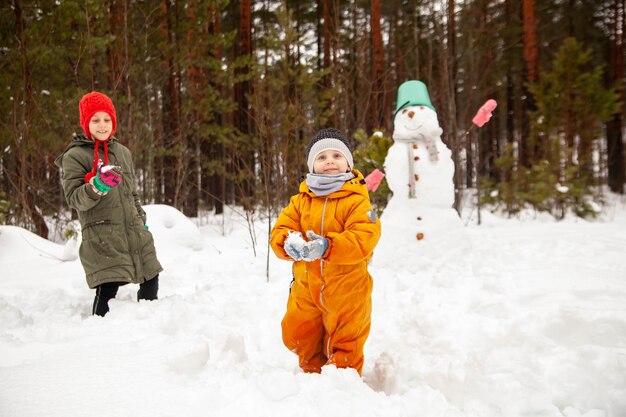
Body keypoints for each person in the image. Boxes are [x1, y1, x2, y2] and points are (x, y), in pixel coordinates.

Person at [269, 127, 381, 375]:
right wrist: (288, 241)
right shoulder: (301, 201)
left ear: (348, 163)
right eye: (321, 157)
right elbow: (282, 228)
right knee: (300, 332)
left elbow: (364, 236)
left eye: (336, 156)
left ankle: (342, 380)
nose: (329, 160)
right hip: (306, 286)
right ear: (312, 166)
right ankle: (311, 374)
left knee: (346, 336)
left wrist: (329, 246)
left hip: (347, 288)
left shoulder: (357, 200)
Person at [54, 91, 162, 316]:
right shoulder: (75, 156)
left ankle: (149, 323)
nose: (102, 125)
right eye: (95, 120)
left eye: (107, 119)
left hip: (133, 230)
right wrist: (97, 186)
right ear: (86, 123)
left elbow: (132, 193)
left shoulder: (122, 152)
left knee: (150, 276)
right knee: (109, 284)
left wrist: (141, 221)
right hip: (102, 233)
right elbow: (75, 199)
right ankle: (100, 329)